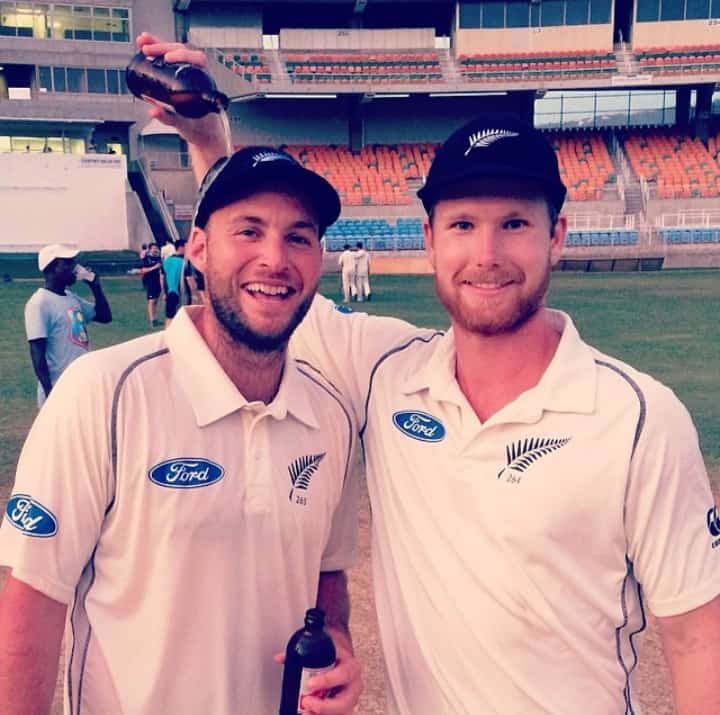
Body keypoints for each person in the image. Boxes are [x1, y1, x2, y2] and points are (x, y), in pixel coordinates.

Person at [139, 35, 720, 713]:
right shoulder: (389, 369)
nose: (487, 253)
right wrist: (212, 142)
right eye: (463, 225)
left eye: (514, 223)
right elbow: (264, 282)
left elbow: (698, 639)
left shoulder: (639, 416)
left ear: (556, 236)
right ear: (430, 240)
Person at [0, 146, 362, 715]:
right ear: (199, 248)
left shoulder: (332, 413)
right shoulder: (105, 392)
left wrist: (335, 634)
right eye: (248, 231)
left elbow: (327, 568)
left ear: (319, 257)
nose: (274, 259)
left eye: (298, 237)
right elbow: (32, 600)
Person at [24, 244, 112, 407]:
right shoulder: (39, 303)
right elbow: (37, 353)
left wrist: (96, 287)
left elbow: (105, 317)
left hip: (80, 383)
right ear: (52, 268)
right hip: (59, 388)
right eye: (67, 263)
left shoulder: (71, 298)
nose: (74, 267)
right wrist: (50, 395)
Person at [162, 238, 187, 323]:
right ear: (180, 248)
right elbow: (189, 278)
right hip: (181, 293)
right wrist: (195, 293)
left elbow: (162, 278)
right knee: (183, 318)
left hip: (169, 292)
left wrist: (164, 293)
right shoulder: (184, 262)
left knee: (169, 317)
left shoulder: (167, 260)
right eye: (186, 247)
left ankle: (168, 331)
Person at [139, 241, 163, 327]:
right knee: (151, 301)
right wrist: (154, 267)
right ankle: (152, 320)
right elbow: (143, 270)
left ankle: (154, 319)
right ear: (149, 249)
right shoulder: (146, 259)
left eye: (156, 248)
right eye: (153, 248)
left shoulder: (158, 258)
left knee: (155, 300)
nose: (155, 250)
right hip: (150, 281)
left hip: (157, 281)